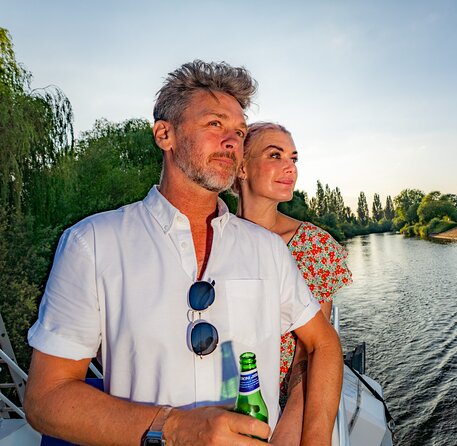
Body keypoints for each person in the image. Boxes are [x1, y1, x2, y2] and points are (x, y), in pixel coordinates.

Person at [24, 60, 343, 446]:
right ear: (165, 134)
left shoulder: (268, 249)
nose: (232, 141)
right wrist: (174, 429)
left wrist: (316, 439)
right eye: (215, 125)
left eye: (239, 132)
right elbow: (46, 399)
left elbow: (323, 344)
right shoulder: (91, 243)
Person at [234, 122, 351, 443]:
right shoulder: (212, 237)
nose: (291, 168)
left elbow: (310, 352)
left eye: (294, 158)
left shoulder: (313, 245)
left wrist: (290, 425)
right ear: (241, 167)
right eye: (276, 155)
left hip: (283, 409)